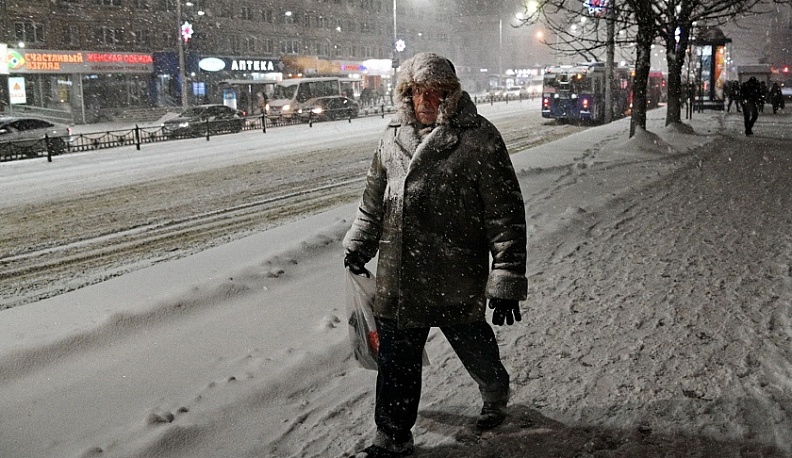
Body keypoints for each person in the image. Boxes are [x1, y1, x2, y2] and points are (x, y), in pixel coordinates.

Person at [343, 52, 527, 458]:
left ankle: (495, 389)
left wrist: (507, 275)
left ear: (450, 95)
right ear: (405, 96)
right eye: (415, 93)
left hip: (454, 274)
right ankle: (392, 436)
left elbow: (505, 213)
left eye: (435, 93)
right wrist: (359, 244)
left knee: (473, 343)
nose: (425, 101)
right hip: (399, 276)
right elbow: (374, 201)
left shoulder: (479, 137)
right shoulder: (391, 136)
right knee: (397, 363)